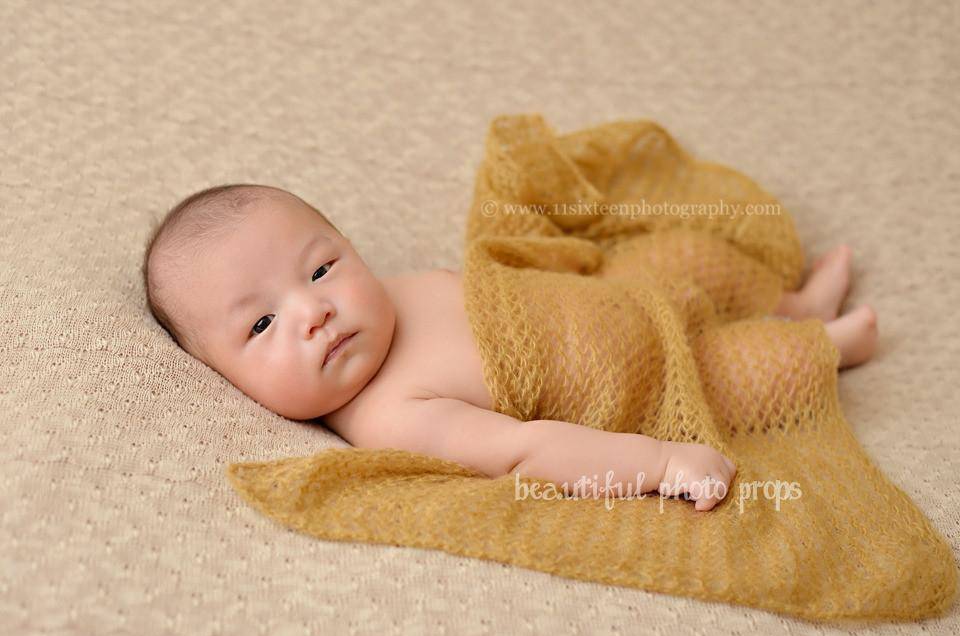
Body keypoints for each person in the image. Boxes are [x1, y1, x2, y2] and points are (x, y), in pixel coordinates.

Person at [142, 183, 878, 511]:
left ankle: (792, 304)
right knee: (752, 374)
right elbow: (529, 451)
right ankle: (825, 344)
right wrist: (661, 463)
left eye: (321, 268)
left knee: (685, 258)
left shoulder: (381, 297)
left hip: (616, 300)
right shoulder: (391, 415)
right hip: (650, 383)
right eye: (261, 325)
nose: (313, 310)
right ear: (225, 380)